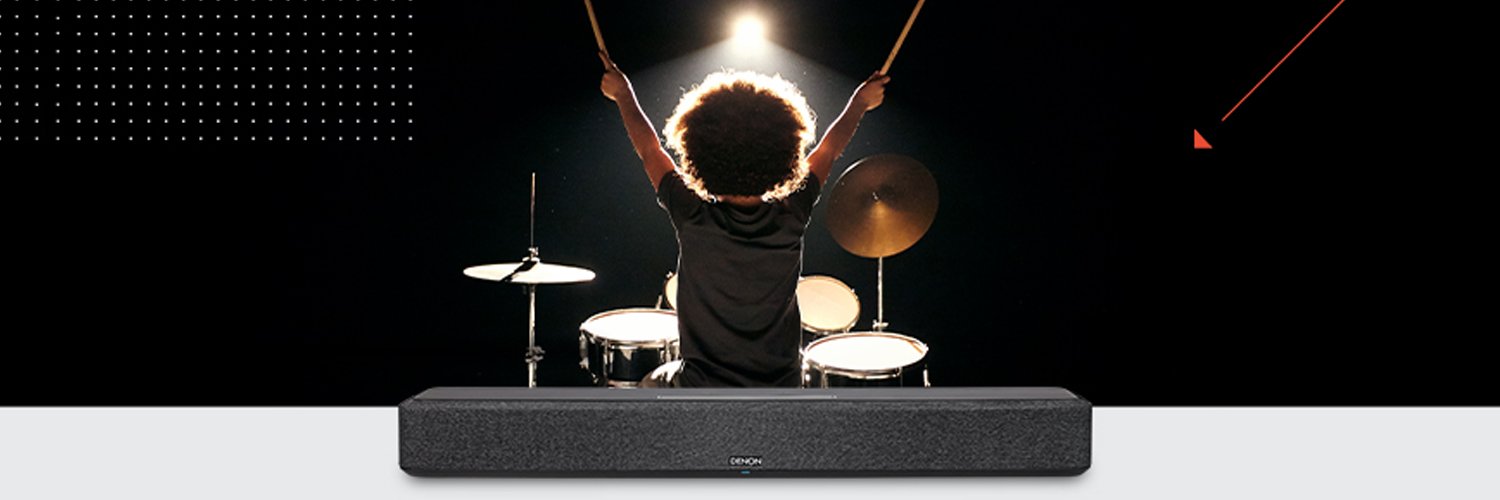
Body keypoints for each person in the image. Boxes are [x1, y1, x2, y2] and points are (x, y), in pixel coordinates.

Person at [598, 51, 888, 387]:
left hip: (702, 389)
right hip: (781, 388)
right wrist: (859, 103)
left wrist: (623, 94)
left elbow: (650, 150)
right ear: (785, 152)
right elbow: (828, 150)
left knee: (647, 385)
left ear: (697, 153)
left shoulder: (692, 215)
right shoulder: (791, 214)